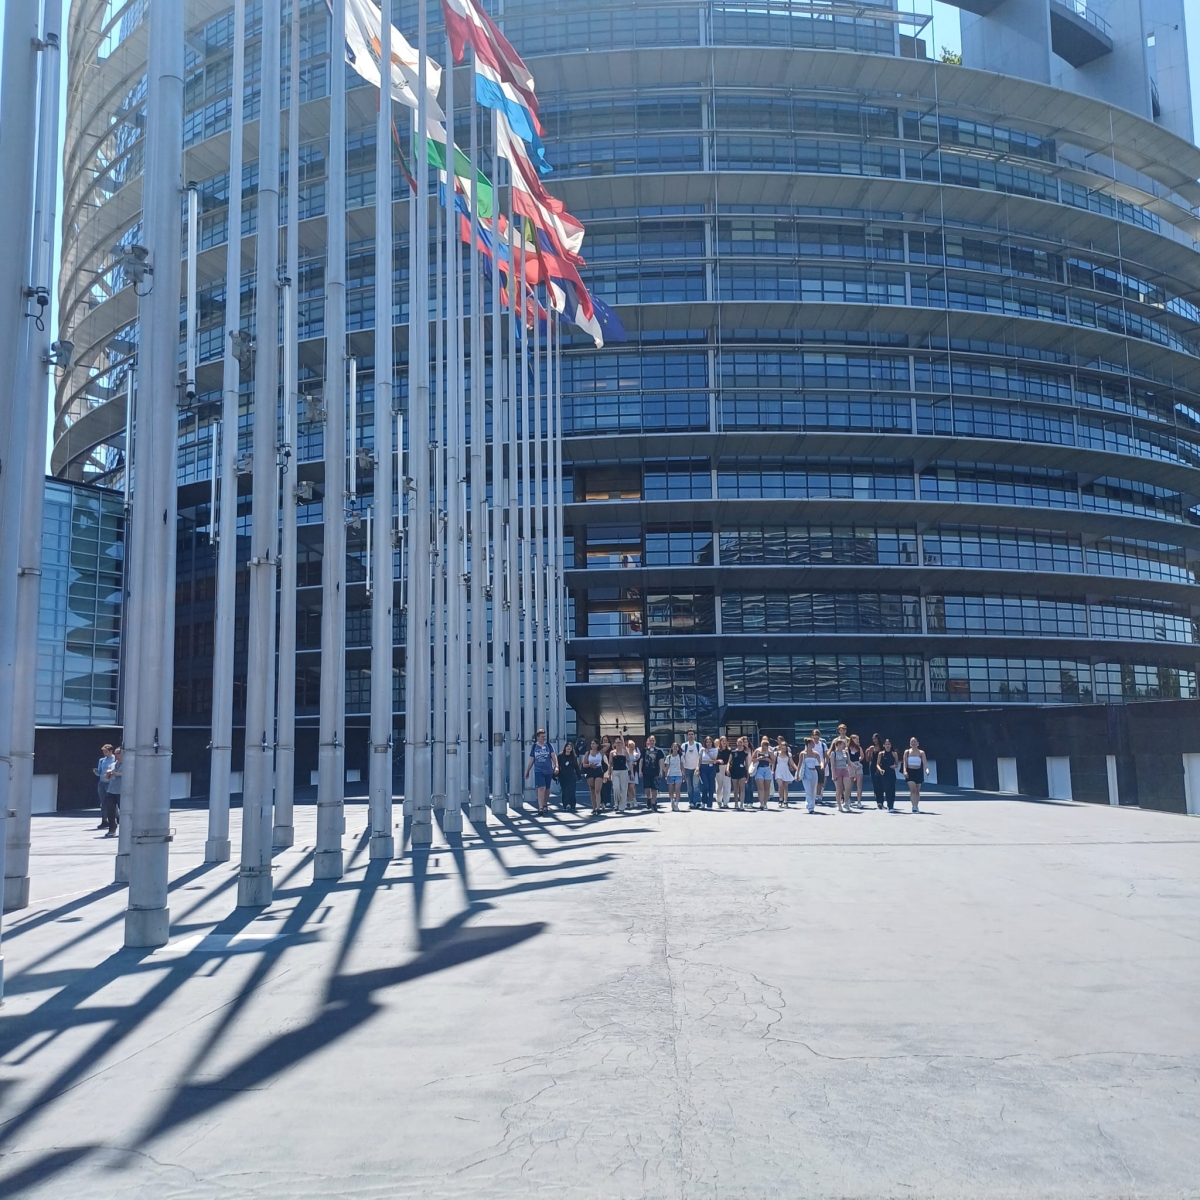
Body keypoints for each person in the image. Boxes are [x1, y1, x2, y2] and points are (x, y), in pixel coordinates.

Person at [524, 729, 558, 814]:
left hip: (548, 770)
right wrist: (527, 770)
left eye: (544, 736)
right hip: (539, 770)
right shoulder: (534, 747)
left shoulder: (548, 746)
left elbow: (553, 756)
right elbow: (532, 759)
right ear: (538, 737)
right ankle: (540, 807)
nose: (544, 738)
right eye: (542, 737)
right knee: (541, 788)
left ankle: (545, 804)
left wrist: (556, 766)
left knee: (547, 789)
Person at [827, 730, 852, 812]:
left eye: (844, 744)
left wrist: (854, 769)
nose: (844, 745)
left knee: (848, 787)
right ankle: (839, 804)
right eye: (842, 744)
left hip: (845, 770)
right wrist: (833, 774)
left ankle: (846, 802)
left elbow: (849, 762)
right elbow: (832, 765)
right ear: (838, 745)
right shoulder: (833, 753)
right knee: (839, 789)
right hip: (837, 771)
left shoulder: (846, 753)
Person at [641, 735, 665, 810]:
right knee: (647, 788)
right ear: (648, 741)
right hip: (646, 772)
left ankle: (653, 803)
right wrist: (640, 771)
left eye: (653, 740)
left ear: (655, 741)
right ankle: (649, 798)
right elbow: (641, 761)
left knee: (654, 788)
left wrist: (661, 771)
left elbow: (661, 761)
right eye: (650, 740)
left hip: (655, 772)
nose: (651, 742)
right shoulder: (644, 750)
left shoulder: (659, 751)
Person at [94, 743, 115, 830]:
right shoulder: (102, 760)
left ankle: (115, 818)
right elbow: (100, 772)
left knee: (111, 801)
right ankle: (104, 820)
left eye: (106, 751)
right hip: (102, 782)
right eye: (103, 752)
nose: (104, 753)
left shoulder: (114, 759)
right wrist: (96, 772)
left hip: (110, 782)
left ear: (110, 751)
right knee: (103, 802)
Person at [102, 746, 122, 837]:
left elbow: (129, 774)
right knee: (110, 811)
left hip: (121, 792)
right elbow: (107, 779)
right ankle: (112, 829)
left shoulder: (128, 765)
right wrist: (107, 775)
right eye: (115, 753)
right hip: (111, 790)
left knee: (124, 811)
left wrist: (117, 774)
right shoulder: (112, 765)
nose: (116, 755)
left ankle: (127, 829)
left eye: (118, 753)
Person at [905, 737, 928, 813]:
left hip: (918, 772)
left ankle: (916, 805)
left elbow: (925, 763)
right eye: (912, 742)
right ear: (910, 743)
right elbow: (905, 763)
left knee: (917, 790)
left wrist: (927, 770)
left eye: (914, 741)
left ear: (917, 743)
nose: (913, 743)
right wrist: (905, 771)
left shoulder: (921, 752)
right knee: (913, 789)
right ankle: (913, 806)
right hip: (910, 772)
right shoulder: (907, 752)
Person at [799, 737, 822, 813]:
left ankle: (809, 802)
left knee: (813, 789)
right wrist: (797, 774)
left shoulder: (816, 753)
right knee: (807, 789)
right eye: (812, 743)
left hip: (813, 772)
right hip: (806, 772)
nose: (813, 744)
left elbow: (820, 761)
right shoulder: (802, 754)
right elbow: (799, 764)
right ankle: (810, 807)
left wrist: (822, 765)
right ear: (808, 744)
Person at [584, 739, 606, 816]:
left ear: (597, 745)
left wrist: (600, 745)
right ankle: (593, 807)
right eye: (591, 744)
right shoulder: (588, 753)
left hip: (598, 770)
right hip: (590, 770)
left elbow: (608, 745)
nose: (592, 745)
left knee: (597, 790)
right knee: (592, 790)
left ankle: (598, 807)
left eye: (594, 744)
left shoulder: (600, 752)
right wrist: (589, 765)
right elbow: (584, 764)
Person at [609, 738, 631, 813]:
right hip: (615, 771)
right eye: (617, 743)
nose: (618, 744)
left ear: (622, 744)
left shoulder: (625, 752)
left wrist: (631, 772)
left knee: (623, 789)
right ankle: (616, 803)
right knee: (616, 788)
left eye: (619, 742)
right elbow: (610, 763)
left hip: (623, 771)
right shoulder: (612, 753)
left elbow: (629, 762)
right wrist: (609, 773)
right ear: (614, 744)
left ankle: (622, 806)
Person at [557, 741, 581, 811]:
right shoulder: (560, 756)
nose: (569, 748)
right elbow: (557, 765)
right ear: (565, 747)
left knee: (571, 790)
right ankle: (566, 804)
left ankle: (572, 804)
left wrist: (579, 775)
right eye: (567, 746)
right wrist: (556, 775)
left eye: (570, 747)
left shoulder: (573, 757)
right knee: (564, 790)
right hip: (563, 776)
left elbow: (576, 767)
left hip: (571, 776)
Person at [773, 735, 795, 808]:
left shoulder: (789, 755)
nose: (783, 749)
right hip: (778, 770)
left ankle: (785, 801)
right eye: (782, 748)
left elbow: (792, 763)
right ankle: (780, 799)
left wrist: (797, 769)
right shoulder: (776, 753)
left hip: (785, 770)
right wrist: (772, 770)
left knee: (785, 786)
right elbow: (773, 762)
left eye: (784, 748)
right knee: (780, 785)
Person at [876, 738, 898, 812]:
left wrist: (895, 766)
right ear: (884, 745)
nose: (887, 746)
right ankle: (888, 804)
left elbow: (896, 764)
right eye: (886, 744)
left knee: (892, 789)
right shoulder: (881, 754)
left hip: (891, 773)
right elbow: (877, 764)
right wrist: (880, 770)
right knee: (887, 789)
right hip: (884, 773)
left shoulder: (894, 754)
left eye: (889, 744)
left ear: (891, 745)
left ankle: (891, 805)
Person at [680, 731, 701, 807]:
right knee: (689, 787)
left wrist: (698, 767)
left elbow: (700, 757)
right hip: (687, 769)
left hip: (696, 769)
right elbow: (682, 758)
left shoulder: (698, 745)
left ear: (694, 735)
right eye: (689, 734)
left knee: (696, 786)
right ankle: (691, 802)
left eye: (692, 734)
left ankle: (697, 801)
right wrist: (682, 770)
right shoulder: (684, 745)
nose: (691, 736)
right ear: (687, 736)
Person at [752, 736, 773, 810]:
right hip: (759, 769)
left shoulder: (770, 752)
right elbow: (752, 759)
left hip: (767, 769)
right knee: (760, 788)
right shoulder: (757, 751)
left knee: (767, 788)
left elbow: (773, 761)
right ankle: (761, 803)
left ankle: (765, 802)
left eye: (765, 746)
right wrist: (758, 758)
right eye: (762, 745)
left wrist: (767, 759)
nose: (763, 747)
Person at [865, 733, 884, 809]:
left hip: (882, 766)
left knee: (882, 784)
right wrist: (868, 752)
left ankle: (882, 800)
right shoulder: (872, 748)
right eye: (873, 739)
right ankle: (878, 801)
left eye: (875, 739)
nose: (874, 740)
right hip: (873, 766)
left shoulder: (882, 747)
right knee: (876, 784)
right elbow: (868, 759)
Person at [729, 736, 749, 810]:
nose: (740, 743)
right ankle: (736, 803)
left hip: (742, 771)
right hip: (734, 771)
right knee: (735, 789)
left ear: (743, 743)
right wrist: (728, 769)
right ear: (736, 743)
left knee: (742, 788)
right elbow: (729, 761)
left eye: (741, 742)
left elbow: (747, 764)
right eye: (739, 742)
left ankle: (741, 804)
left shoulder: (745, 753)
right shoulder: (733, 752)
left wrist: (747, 774)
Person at [699, 736, 718, 810]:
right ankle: (703, 801)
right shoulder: (702, 749)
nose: (708, 743)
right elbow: (700, 760)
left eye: (710, 742)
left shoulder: (715, 749)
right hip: (703, 768)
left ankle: (709, 804)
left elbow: (714, 759)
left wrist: (707, 752)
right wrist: (697, 768)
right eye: (707, 742)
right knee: (705, 785)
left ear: (712, 743)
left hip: (711, 768)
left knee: (711, 787)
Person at [810, 728, 828, 804]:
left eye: (817, 738)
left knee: (820, 782)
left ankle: (818, 796)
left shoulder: (823, 745)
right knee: (812, 781)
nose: (816, 740)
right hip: (812, 765)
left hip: (820, 764)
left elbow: (826, 755)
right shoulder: (809, 744)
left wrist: (825, 764)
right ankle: (813, 795)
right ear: (812, 737)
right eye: (814, 738)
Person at [665, 742, 685, 810]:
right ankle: (672, 800)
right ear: (672, 748)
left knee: (677, 789)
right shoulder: (668, 757)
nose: (675, 747)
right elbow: (667, 767)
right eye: (674, 746)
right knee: (671, 790)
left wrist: (683, 774)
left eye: (676, 746)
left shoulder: (680, 756)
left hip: (678, 775)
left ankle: (676, 804)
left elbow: (682, 766)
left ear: (678, 748)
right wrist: (666, 775)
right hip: (670, 775)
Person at [714, 735, 732, 809]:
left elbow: (729, 761)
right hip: (718, 768)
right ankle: (719, 800)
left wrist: (727, 769)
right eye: (722, 741)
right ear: (720, 742)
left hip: (726, 767)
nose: (724, 742)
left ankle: (725, 802)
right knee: (719, 786)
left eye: (725, 741)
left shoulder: (729, 750)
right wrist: (718, 761)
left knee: (727, 786)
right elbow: (714, 760)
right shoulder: (716, 750)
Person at [848, 734, 865, 808]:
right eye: (856, 739)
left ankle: (859, 801)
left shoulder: (859, 748)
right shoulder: (848, 748)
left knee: (859, 784)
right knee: (850, 784)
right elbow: (847, 758)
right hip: (850, 765)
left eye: (858, 739)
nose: (858, 740)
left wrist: (859, 759)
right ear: (852, 739)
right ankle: (848, 799)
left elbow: (862, 756)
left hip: (857, 764)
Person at [625, 738, 641, 810]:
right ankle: (631, 801)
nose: (632, 748)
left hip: (634, 771)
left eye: (633, 746)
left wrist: (635, 762)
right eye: (631, 746)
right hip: (627, 770)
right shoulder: (626, 753)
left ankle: (634, 799)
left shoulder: (636, 753)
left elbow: (638, 760)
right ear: (628, 746)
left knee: (632, 786)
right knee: (628, 787)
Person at [600, 736, 615, 810]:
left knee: (608, 785)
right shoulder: (600, 750)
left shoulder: (611, 751)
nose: (605, 742)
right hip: (601, 769)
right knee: (601, 786)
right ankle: (602, 801)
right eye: (604, 740)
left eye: (606, 740)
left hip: (609, 769)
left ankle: (608, 800)